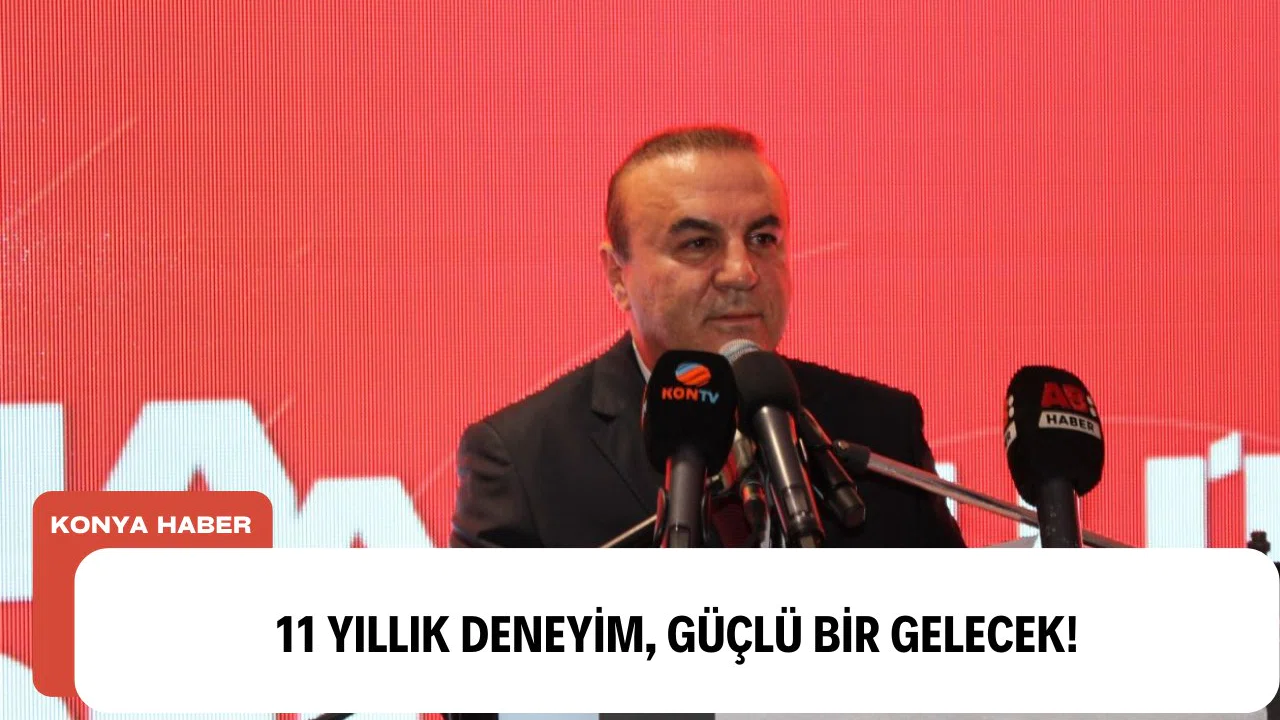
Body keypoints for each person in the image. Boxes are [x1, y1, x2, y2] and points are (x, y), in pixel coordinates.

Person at [449, 126, 964, 549]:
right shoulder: (523, 459)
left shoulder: (881, 427)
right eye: (698, 244)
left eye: (763, 239)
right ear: (616, 276)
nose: (742, 272)